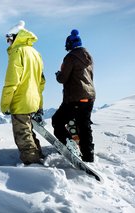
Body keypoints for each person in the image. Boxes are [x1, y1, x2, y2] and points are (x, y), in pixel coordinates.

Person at [0, 20, 46, 165]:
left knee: (22, 135)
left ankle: (33, 165)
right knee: (28, 131)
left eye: (8, 39)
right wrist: (39, 104)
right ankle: (39, 156)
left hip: (20, 101)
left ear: (15, 37)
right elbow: (41, 81)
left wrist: (5, 105)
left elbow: (12, 82)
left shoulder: (17, 52)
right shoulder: (35, 53)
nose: (8, 43)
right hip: (33, 100)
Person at [52, 29, 96, 162]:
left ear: (70, 44)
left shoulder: (70, 57)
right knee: (84, 126)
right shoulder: (88, 57)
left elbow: (63, 78)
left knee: (57, 122)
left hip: (75, 98)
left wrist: (58, 74)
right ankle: (88, 156)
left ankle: (71, 147)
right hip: (89, 97)